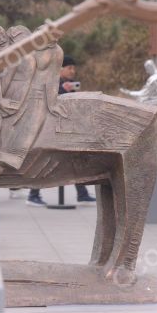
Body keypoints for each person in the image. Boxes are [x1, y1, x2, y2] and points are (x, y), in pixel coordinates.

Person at [58, 55, 96, 203]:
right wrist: (62, 89)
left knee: (76, 160)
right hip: (56, 127)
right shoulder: (53, 82)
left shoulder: (72, 84)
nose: (72, 71)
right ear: (60, 69)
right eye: (69, 68)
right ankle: (33, 195)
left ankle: (82, 193)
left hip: (70, 128)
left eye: (74, 68)